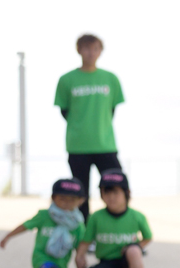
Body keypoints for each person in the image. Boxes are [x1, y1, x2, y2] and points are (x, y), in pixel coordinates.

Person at [54, 34, 126, 220]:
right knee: (80, 195)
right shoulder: (66, 79)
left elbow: (111, 110)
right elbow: (64, 110)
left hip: (105, 144)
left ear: (100, 51)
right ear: (79, 50)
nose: (91, 53)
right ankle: (85, 231)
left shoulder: (111, 79)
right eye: (86, 48)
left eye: (95, 49)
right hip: (78, 145)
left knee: (117, 188)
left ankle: (116, 229)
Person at [0, 178, 89, 268]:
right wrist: (8, 236)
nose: (67, 203)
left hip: (61, 263)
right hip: (42, 258)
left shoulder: (78, 225)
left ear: (81, 201)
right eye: (62, 198)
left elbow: (81, 246)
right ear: (53, 198)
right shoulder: (45, 215)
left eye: (72, 199)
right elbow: (26, 225)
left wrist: (80, 259)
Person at [75, 171, 152, 268]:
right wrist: (79, 256)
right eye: (106, 193)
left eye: (116, 193)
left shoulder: (137, 216)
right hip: (107, 262)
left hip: (126, 262)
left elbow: (148, 237)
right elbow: (86, 240)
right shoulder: (96, 217)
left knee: (134, 251)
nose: (111, 197)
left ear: (127, 193)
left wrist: (136, 246)